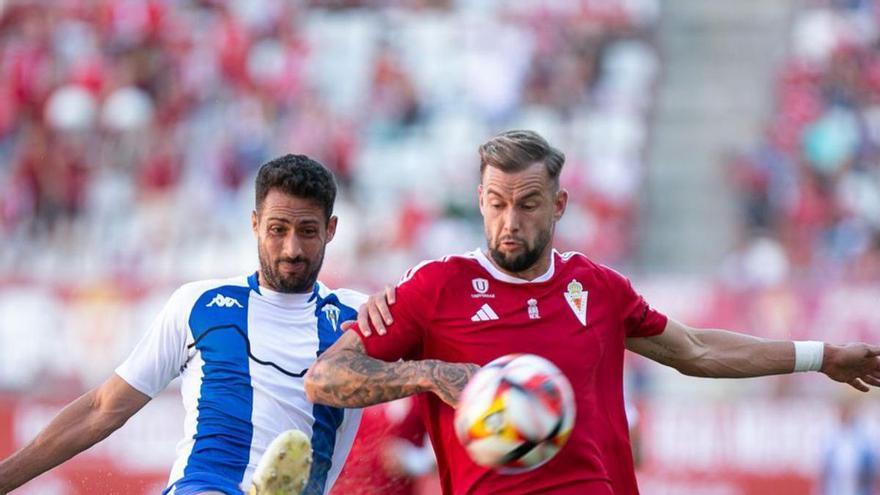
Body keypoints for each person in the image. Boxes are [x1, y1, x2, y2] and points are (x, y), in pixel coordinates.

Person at [303, 130, 880, 495]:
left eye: (528, 204)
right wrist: (431, 373)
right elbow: (325, 379)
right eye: (497, 204)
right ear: (481, 200)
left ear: (558, 205)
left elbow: (698, 350)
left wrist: (822, 356)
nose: (510, 221)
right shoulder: (437, 288)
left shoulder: (597, 288)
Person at [0, 155, 366, 495]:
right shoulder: (200, 305)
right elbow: (102, 408)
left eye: (307, 231)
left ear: (330, 229)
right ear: (255, 224)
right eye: (277, 229)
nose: (291, 249)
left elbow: (423, 355)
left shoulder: (359, 318)